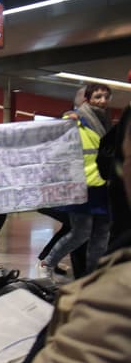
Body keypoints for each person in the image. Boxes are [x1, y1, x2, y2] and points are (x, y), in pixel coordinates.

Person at [0, 103, 131, 363]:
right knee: (86, 235)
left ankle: (51, 264)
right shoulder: (77, 126)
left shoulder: (117, 297)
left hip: (90, 192)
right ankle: (57, 265)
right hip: (86, 192)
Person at [40, 83, 113, 278]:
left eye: (106, 97)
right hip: (82, 185)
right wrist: (67, 118)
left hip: (104, 186)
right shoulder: (76, 118)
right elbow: (60, 130)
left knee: (101, 237)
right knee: (81, 233)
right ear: (87, 99)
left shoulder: (108, 122)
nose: (103, 101)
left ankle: (92, 277)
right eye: (98, 97)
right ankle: (48, 262)